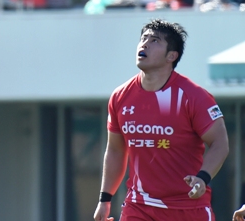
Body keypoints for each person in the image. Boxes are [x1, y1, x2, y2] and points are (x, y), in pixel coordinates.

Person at [93, 19, 228, 221]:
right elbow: (115, 150)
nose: (144, 44)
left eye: (154, 40)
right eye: (143, 38)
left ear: (171, 56)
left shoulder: (194, 96)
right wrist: (105, 199)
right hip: (139, 206)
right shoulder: (120, 96)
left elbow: (220, 143)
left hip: (188, 208)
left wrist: (203, 178)